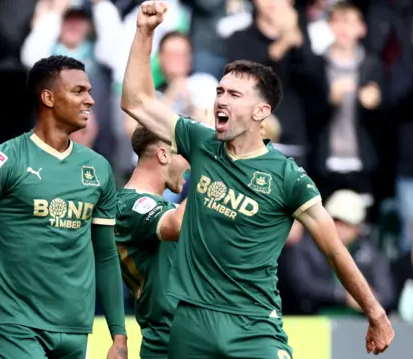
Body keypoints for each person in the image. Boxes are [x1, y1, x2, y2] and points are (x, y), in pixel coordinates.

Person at [120, 2, 395, 358]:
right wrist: (144, 32)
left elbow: (333, 249)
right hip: (191, 327)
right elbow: (136, 100)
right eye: (219, 91)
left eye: (234, 95)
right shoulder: (201, 143)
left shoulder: (288, 176)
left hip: (254, 328)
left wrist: (374, 312)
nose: (221, 99)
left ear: (261, 111)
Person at [0, 55, 128, 359]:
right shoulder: (1, 161)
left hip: (75, 328)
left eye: (89, 91)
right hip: (16, 324)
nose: (90, 100)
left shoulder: (99, 168)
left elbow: (105, 255)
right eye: (78, 91)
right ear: (48, 97)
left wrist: (119, 333)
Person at [114, 125, 188, 358]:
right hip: (167, 344)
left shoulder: (167, 208)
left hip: (196, 339)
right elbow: (174, 225)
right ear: (164, 154)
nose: (191, 166)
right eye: (187, 155)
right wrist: (210, 169)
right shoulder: (128, 206)